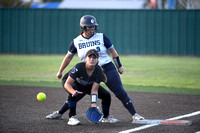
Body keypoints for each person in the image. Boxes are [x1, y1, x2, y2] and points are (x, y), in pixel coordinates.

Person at [46, 15, 144, 123]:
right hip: (89, 71)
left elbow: (113, 52)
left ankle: (135, 114)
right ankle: (59, 113)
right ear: (83, 27)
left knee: (119, 91)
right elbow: (68, 57)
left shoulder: (102, 37)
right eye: (89, 27)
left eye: (93, 26)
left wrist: (119, 66)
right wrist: (60, 71)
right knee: (78, 93)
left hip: (107, 67)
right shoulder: (76, 41)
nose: (91, 29)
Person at [57, 49, 118, 125]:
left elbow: (94, 90)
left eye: (94, 57)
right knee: (73, 92)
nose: (92, 59)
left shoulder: (98, 71)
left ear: (97, 60)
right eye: (90, 57)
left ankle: (105, 117)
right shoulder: (79, 67)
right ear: (86, 58)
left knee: (106, 95)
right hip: (70, 82)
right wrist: (73, 92)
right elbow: (67, 84)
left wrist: (93, 106)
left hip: (86, 84)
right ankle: (72, 117)